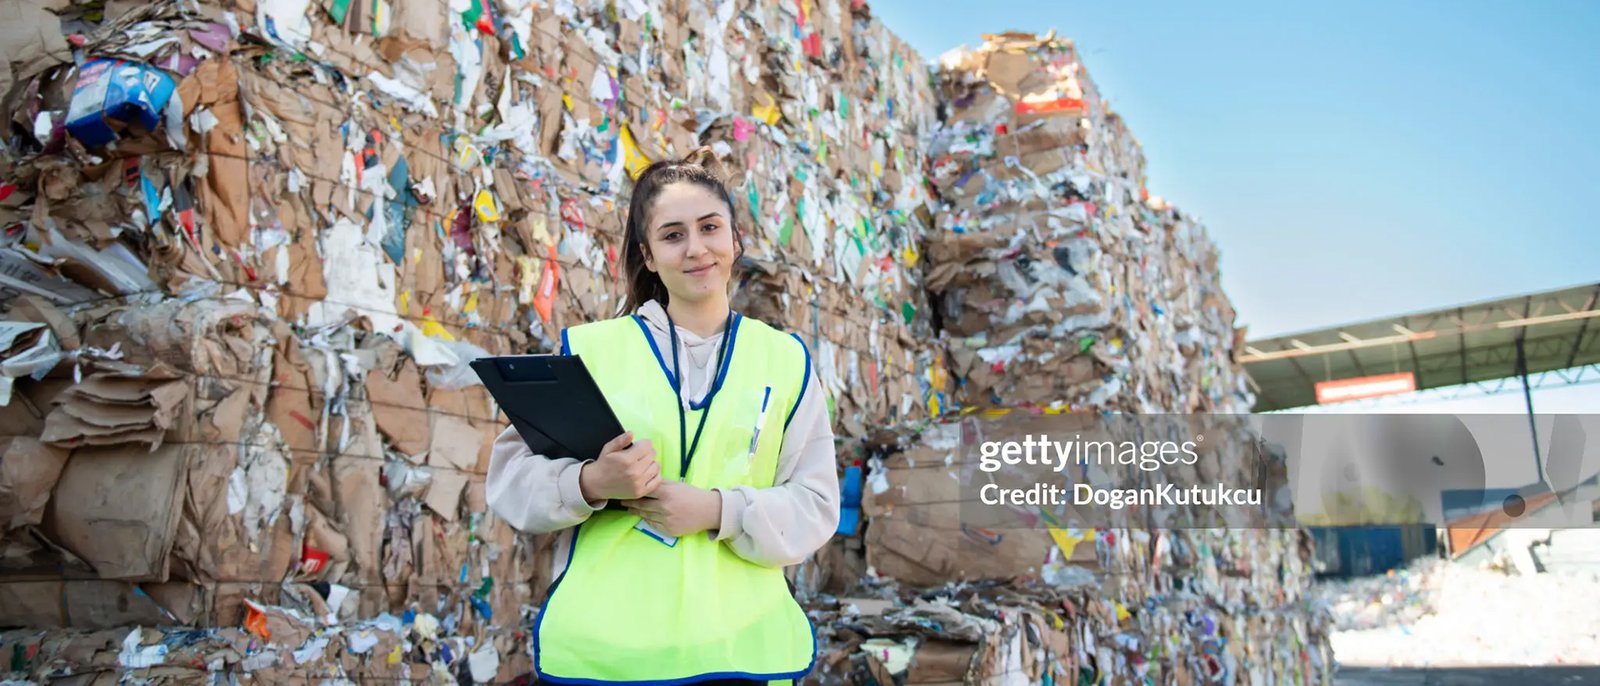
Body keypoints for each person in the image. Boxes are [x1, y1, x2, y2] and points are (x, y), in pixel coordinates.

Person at [486, 148, 840, 685]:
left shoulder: (785, 361)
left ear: (735, 239)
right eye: (673, 235)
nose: (696, 248)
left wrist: (717, 510)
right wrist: (590, 482)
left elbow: (816, 504)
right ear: (648, 256)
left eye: (710, 228)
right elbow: (511, 481)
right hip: (609, 656)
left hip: (743, 652)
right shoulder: (593, 353)